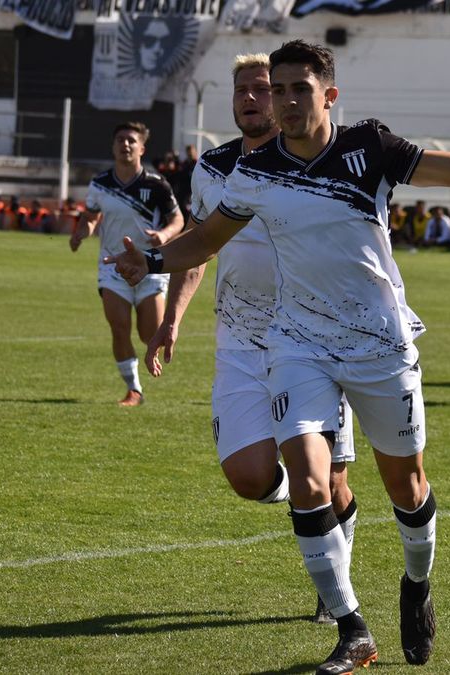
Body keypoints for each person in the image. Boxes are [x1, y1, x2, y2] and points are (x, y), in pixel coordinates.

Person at [109, 40, 450, 674]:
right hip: (298, 344)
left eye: (300, 88)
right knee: (306, 475)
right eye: (279, 89)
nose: (287, 100)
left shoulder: (370, 148)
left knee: (405, 487)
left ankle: (416, 584)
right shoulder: (254, 172)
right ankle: (353, 628)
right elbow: (210, 238)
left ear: (329, 95)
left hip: (380, 342)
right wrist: (156, 260)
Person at [146, 53, 358, 623]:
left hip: (314, 339)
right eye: (242, 90)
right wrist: (172, 319)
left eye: (262, 89)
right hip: (239, 340)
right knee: (248, 476)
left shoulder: (316, 160)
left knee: (334, 479)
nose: (251, 99)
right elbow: (199, 246)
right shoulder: (212, 168)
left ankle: (336, 590)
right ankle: (306, 504)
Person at [69, 121, 183, 406]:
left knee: (149, 333)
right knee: (118, 326)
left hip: (150, 266)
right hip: (113, 265)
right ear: (113, 146)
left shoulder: (156, 185)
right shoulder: (100, 184)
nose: (125, 144)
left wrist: (164, 235)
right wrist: (84, 231)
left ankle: (144, 367)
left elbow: (178, 219)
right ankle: (134, 389)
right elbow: (92, 216)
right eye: (120, 139)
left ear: (142, 148)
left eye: (132, 140)